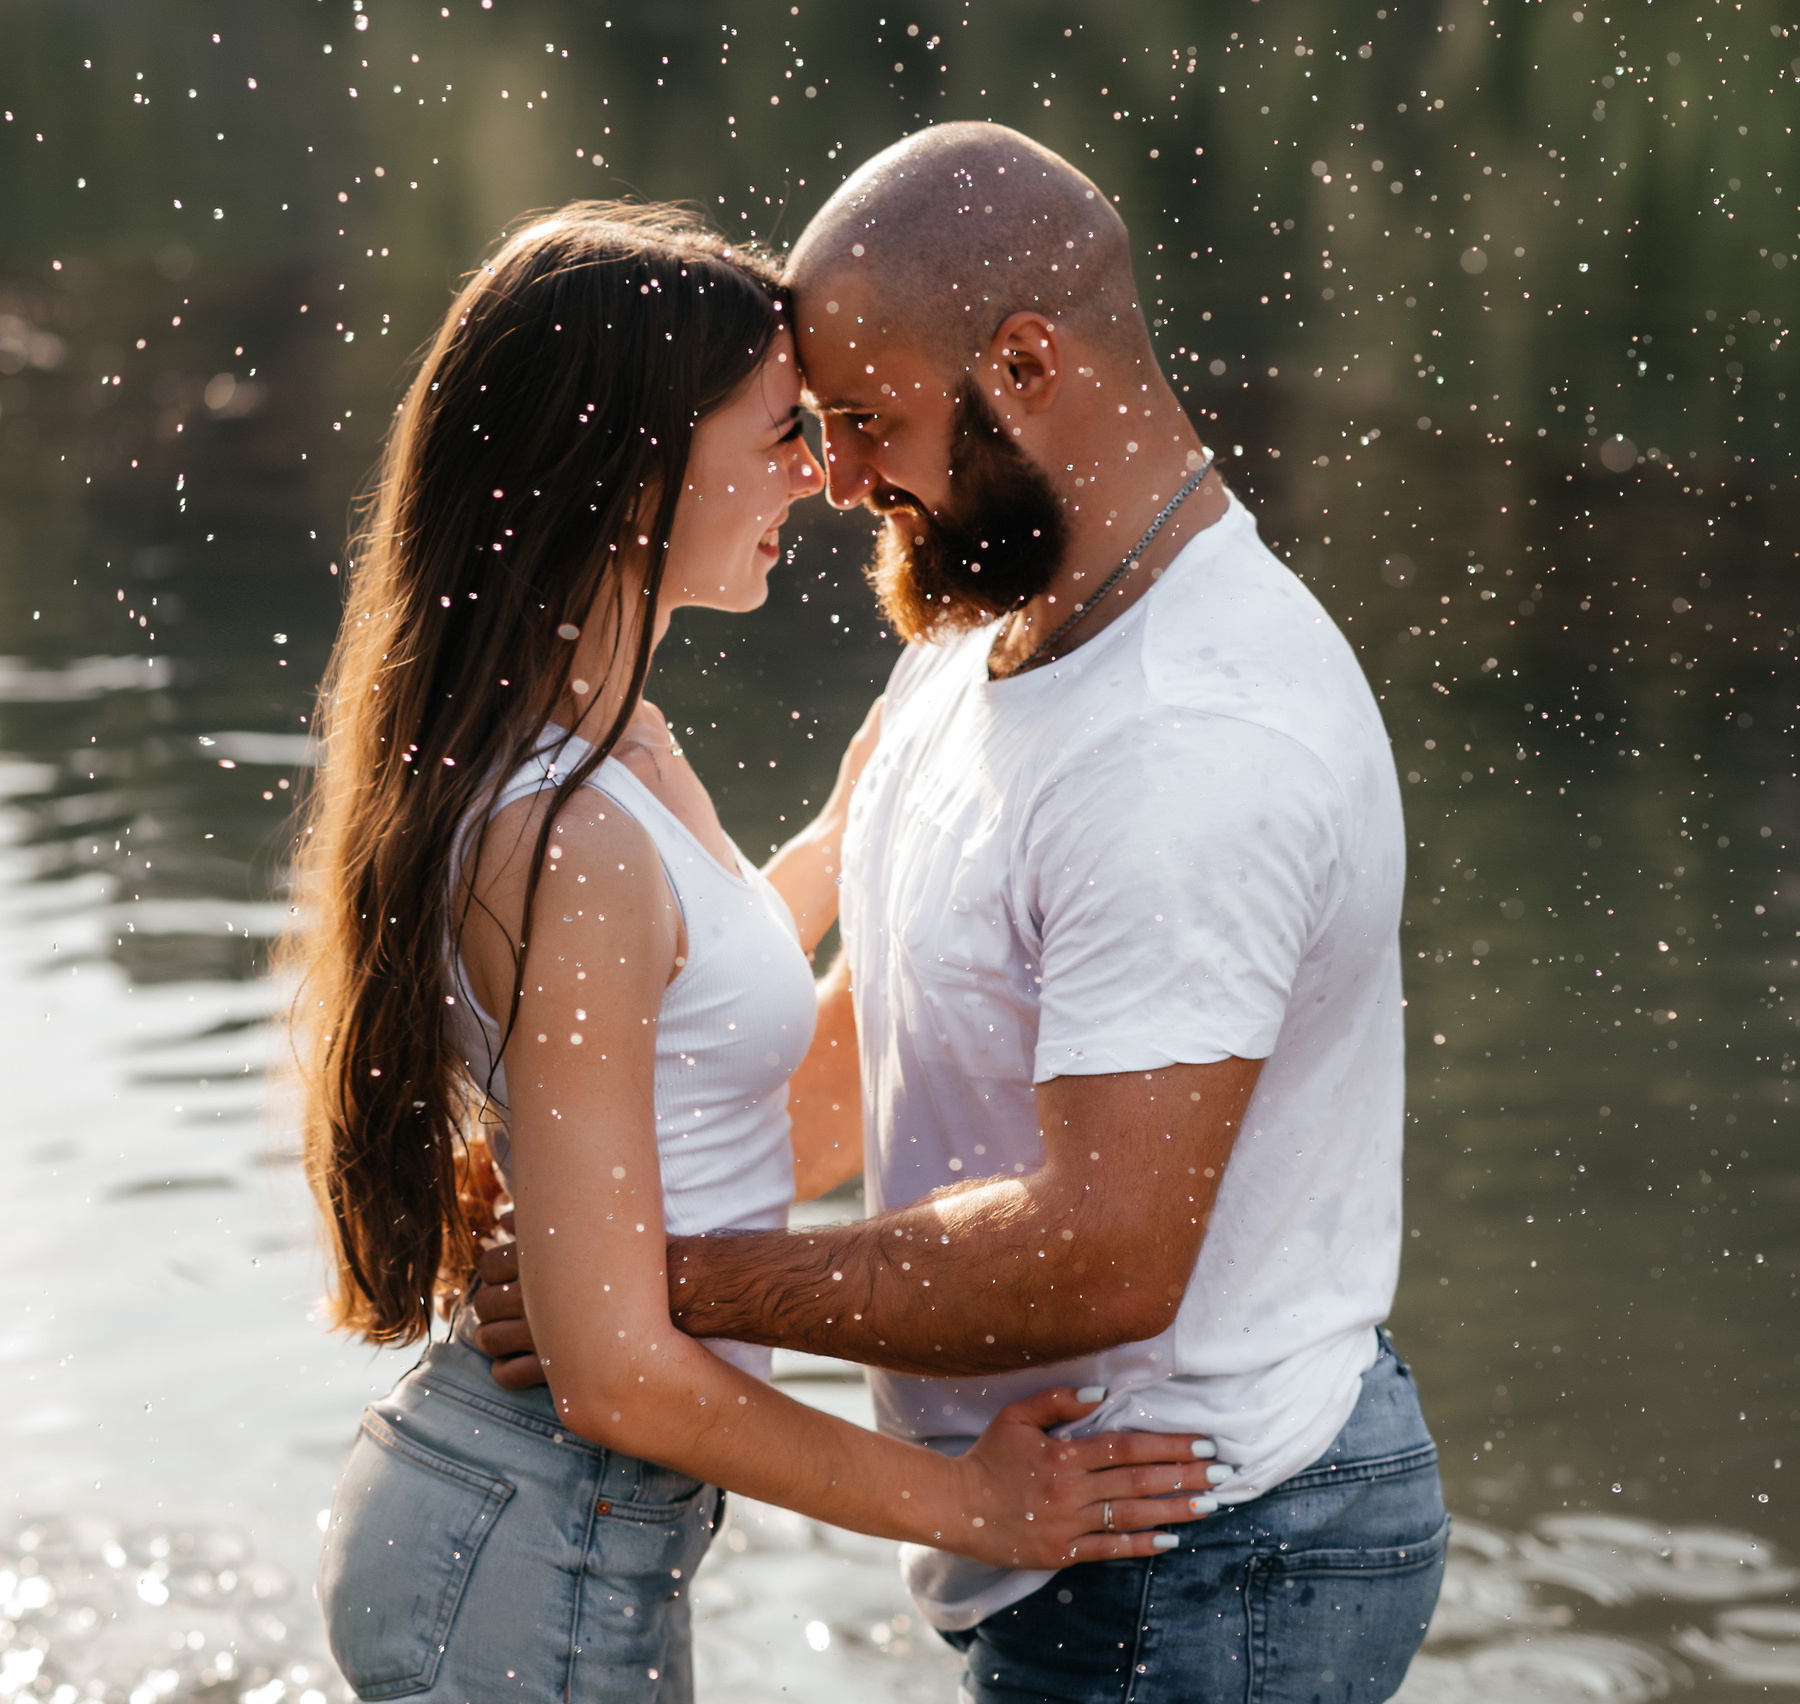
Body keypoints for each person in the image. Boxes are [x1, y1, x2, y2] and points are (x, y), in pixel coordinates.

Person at [474, 129, 1450, 1702]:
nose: (838, 478)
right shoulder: (981, 628)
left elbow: (1099, 1255)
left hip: (1204, 1557)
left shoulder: (1193, 738)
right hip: (1072, 1538)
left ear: (1027, 362)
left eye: (869, 422)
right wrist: (591, 1242)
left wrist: (662, 1282)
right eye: (820, 426)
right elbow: (890, 1043)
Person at [284, 203, 1221, 1704]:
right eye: (784, 433)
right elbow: (614, 1372)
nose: (823, 476)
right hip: (530, 1545)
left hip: (546, 1530)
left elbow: (687, 999)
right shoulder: (571, 839)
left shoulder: (617, 751)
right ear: (636, 473)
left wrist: (845, 840)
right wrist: (970, 1506)